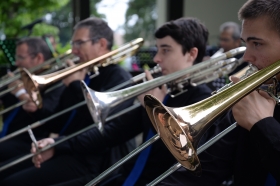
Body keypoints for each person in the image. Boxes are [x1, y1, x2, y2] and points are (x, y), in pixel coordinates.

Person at [0, 17, 213, 185]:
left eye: (165, 50)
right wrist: (57, 143)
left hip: (121, 169)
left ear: (191, 54)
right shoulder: (161, 88)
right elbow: (112, 131)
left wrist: (157, 113)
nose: (156, 58)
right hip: (118, 170)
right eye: (157, 50)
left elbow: (187, 159)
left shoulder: (200, 98)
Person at [157, 0, 280, 185]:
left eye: (257, 44)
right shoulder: (254, 99)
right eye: (246, 43)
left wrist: (263, 125)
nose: (246, 57)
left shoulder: (256, 111)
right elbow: (207, 168)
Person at [0, 17, 135, 185]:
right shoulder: (82, 73)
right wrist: (37, 108)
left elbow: (100, 126)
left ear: (101, 44)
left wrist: (74, 86)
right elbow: (58, 124)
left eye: (79, 43)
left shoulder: (118, 77)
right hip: (65, 149)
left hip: (92, 161)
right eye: (73, 44)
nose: (73, 50)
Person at [0, 37, 65, 163]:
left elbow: (48, 116)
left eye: (21, 58)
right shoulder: (18, 74)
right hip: (7, 136)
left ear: (39, 58)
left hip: (29, 143)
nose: (16, 63)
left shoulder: (54, 80)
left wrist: (21, 93)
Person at [207, 21, 248, 91]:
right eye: (220, 39)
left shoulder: (245, 60)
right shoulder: (213, 51)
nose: (221, 43)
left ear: (237, 42)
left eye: (225, 40)